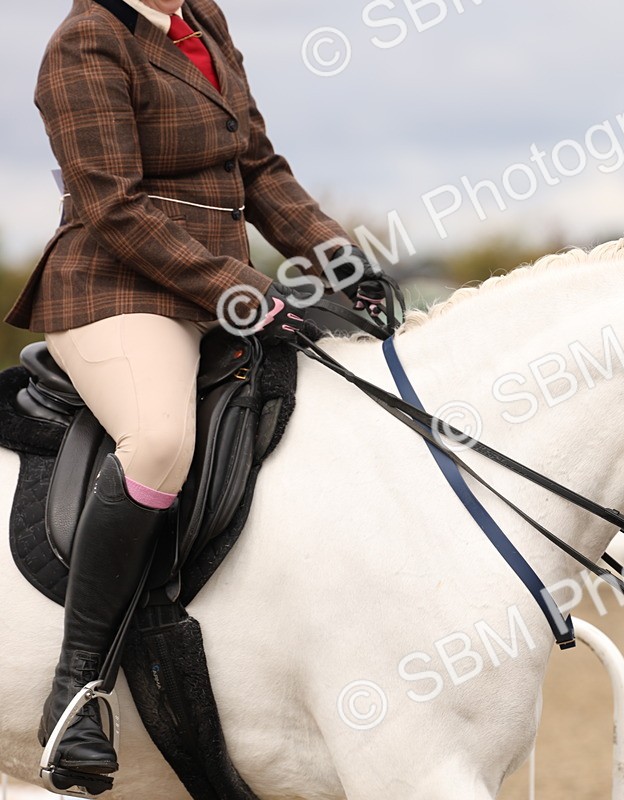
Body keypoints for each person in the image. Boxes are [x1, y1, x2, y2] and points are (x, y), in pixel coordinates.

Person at [5, 0, 382, 781]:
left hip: (216, 292)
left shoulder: (203, 21)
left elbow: (259, 169)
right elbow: (115, 205)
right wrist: (237, 286)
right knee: (161, 441)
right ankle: (75, 691)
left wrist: (339, 257)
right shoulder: (86, 42)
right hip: (117, 291)